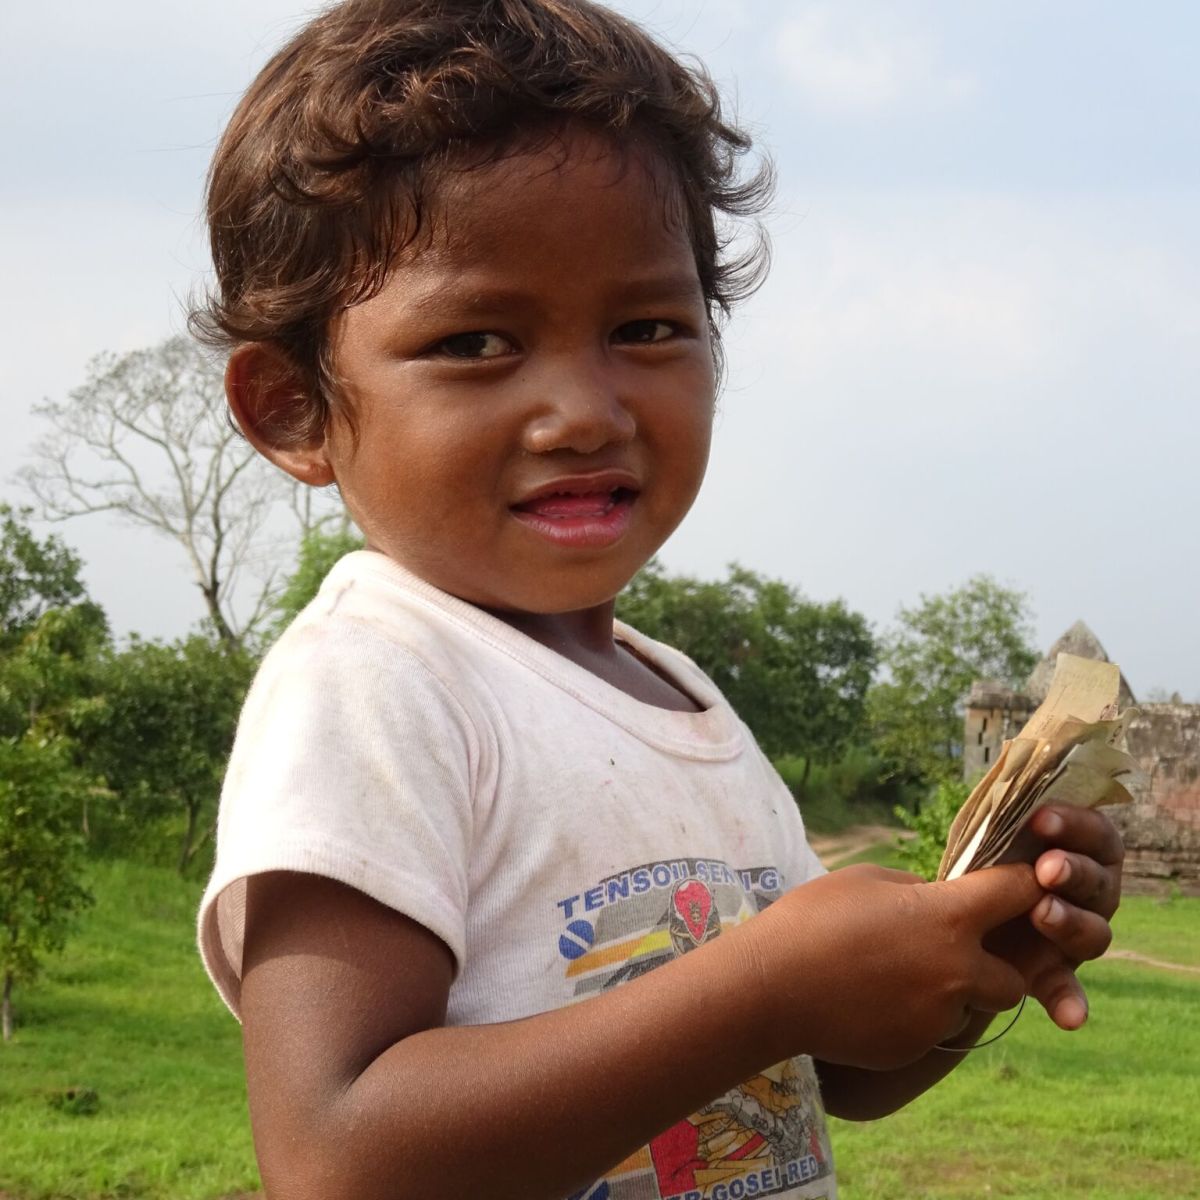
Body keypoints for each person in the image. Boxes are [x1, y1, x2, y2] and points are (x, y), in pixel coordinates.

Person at [194, 3, 1124, 1198]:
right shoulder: (376, 684)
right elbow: (337, 1157)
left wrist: (961, 958)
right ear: (294, 409)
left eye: (645, 328)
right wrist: (766, 984)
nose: (586, 411)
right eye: (476, 341)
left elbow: (824, 1073)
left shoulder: (680, 702)